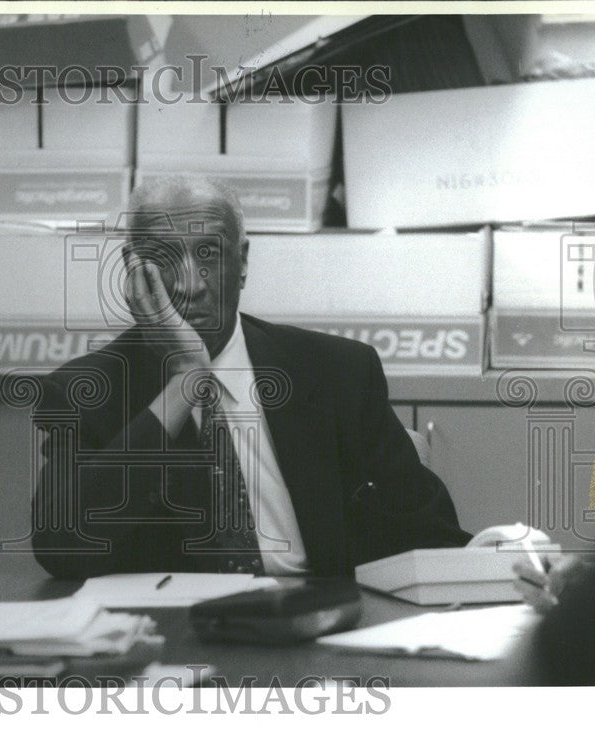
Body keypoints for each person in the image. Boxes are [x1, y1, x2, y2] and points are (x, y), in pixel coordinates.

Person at [31, 176, 468, 579]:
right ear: (133, 270)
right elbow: (62, 548)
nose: (191, 285)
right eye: (164, 259)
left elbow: (433, 537)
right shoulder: (86, 392)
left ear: (241, 262)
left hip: (318, 624)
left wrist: (507, 554)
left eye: (209, 254)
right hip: (178, 641)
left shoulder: (338, 373)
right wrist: (184, 383)